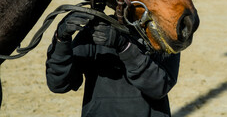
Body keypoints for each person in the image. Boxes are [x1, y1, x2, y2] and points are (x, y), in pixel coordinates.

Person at [46, 11, 180, 117]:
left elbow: (159, 86)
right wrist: (61, 40)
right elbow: (58, 84)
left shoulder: (164, 33)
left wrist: (124, 46)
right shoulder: (96, 29)